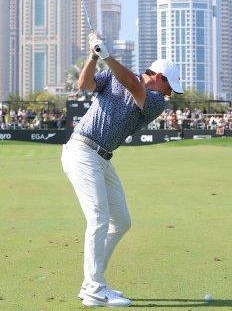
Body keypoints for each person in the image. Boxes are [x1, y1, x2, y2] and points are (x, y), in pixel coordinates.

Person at [63, 32, 181, 308]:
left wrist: (106, 55)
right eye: (169, 87)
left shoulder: (155, 102)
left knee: (122, 221)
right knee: (98, 217)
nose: (169, 94)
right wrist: (94, 56)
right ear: (159, 77)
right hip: (81, 151)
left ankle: (92, 282)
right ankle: (93, 289)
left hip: (102, 158)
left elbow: (132, 85)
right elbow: (84, 84)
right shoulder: (117, 78)